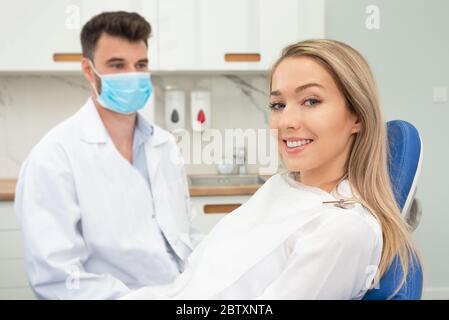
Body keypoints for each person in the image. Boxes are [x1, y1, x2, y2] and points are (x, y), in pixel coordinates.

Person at [123, 39, 420, 300]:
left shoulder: (342, 230)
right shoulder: (285, 186)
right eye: (278, 105)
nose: (285, 121)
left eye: (311, 101)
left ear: (357, 115)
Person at [14, 11, 201, 299]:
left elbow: (182, 236)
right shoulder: (53, 158)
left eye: (140, 64)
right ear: (89, 71)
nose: (133, 75)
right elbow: (57, 279)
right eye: (117, 65)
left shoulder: (164, 145)